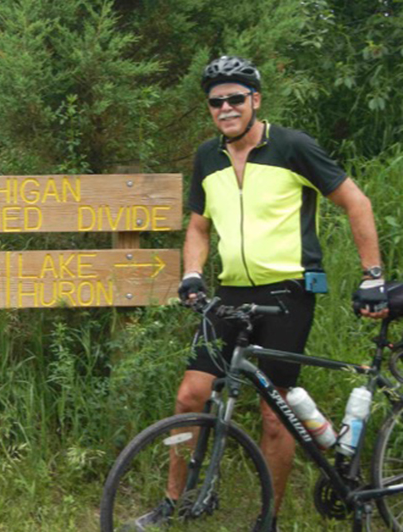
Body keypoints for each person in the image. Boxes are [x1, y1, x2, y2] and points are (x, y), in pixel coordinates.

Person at [126, 56, 388, 531]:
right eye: (216, 102)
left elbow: (357, 202)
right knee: (190, 395)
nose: (225, 108)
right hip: (229, 294)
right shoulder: (208, 157)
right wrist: (192, 273)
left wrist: (372, 275)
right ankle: (174, 503)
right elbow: (199, 226)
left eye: (235, 98)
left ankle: (269, 519)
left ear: (256, 100)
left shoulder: (292, 146)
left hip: (288, 293)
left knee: (275, 413)